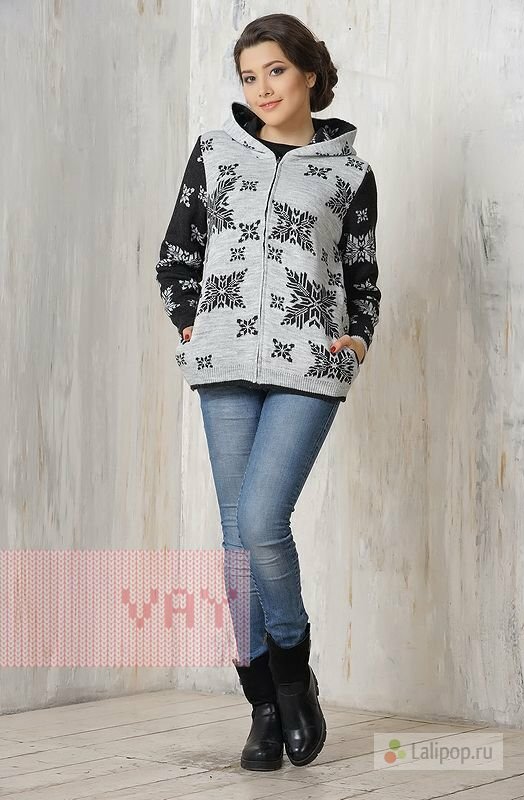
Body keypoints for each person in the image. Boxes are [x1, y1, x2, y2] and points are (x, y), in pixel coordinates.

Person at [155, 12, 381, 772]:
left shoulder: (348, 173)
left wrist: (358, 339)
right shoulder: (215, 152)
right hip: (222, 361)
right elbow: (177, 255)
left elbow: (362, 277)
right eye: (249, 77)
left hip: (308, 365)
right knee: (234, 538)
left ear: (309, 72)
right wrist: (190, 322)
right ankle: (262, 706)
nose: (261, 89)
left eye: (275, 71)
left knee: (260, 520)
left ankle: (293, 674)